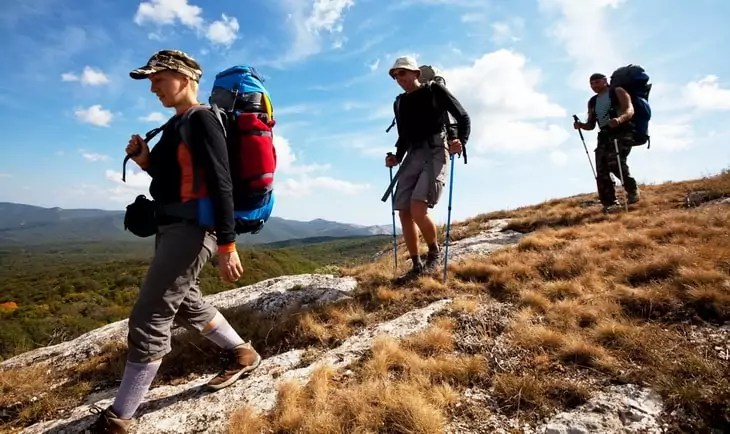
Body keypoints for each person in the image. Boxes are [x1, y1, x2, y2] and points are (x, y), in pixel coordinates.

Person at [86, 50, 261, 434]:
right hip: (173, 227)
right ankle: (242, 353)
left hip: (195, 231)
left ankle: (120, 418)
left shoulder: (202, 121)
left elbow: (222, 183)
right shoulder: (175, 124)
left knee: (150, 315)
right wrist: (145, 159)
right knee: (185, 302)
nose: (153, 88)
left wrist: (228, 244)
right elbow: (170, 178)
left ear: (183, 78)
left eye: (158, 79)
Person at [384, 56, 470, 283]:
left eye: (402, 73)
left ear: (416, 74)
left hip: (435, 150)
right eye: (395, 76)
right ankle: (416, 265)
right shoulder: (400, 103)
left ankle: (434, 253)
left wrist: (460, 140)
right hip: (412, 154)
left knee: (417, 208)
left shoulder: (435, 91)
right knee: (404, 211)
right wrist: (396, 156)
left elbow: (462, 116)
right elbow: (403, 136)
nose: (399, 78)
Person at [574, 72, 641, 213]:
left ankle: (632, 189)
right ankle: (609, 203)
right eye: (591, 83)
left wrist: (619, 120)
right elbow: (591, 125)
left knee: (615, 162)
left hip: (622, 131)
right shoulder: (592, 101)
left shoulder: (617, 91)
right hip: (604, 135)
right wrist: (580, 125)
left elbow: (630, 110)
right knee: (602, 169)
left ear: (605, 81)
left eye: (597, 82)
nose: (594, 85)